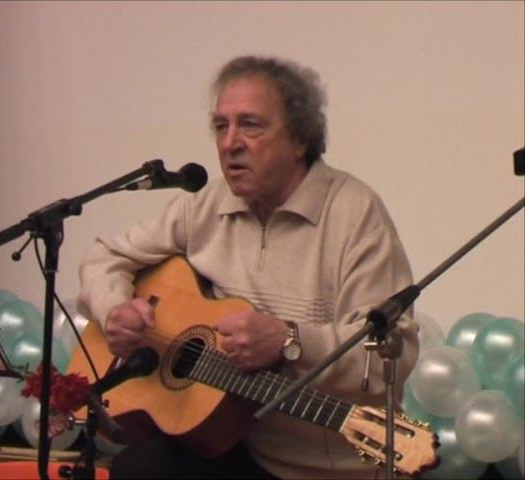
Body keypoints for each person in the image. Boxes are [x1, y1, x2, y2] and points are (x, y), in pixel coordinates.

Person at [78, 55, 419, 479]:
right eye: (221, 126)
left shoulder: (354, 213)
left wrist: (291, 341)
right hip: (236, 445)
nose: (230, 143)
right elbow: (105, 256)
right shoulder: (205, 204)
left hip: (328, 467)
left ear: (299, 139)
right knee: (141, 467)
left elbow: (390, 354)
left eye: (250, 125)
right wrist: (115, 309)